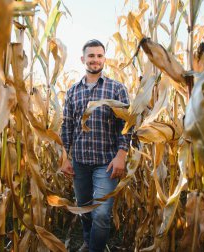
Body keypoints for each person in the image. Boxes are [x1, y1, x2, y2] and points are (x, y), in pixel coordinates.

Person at [60, 39, 130, 252]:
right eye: (91, 56)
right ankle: (90, 242)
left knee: (100, 213)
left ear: (104, 59)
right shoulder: (73, 92)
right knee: (85, 210)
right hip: (80, 163)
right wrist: (65, 158)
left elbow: (126, 125)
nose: (95, 60)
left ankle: (95, 249)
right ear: (83, 59)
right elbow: (67, 127)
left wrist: (121, 155)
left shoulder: (116, 89)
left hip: (106, 163)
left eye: (99, 56)